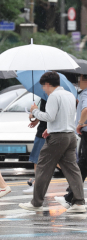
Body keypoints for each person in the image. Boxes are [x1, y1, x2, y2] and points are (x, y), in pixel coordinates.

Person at [19, 71, 86, 213]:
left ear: (48, 84)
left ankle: (36, 202)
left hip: (57, 138)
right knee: (73, 170)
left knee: (43, 168)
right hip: (70, 136)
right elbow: (64, 116)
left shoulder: (54, 96)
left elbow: (49, 116)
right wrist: (50, 129)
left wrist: (35, 111)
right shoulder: (70, 95)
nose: (43, 89)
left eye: (44, 86)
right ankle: (79, 202)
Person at [61, 74, 87, 204]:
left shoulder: (86, 93)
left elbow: (86, 109)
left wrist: (81, 123)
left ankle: (72, 196)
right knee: (83, 163)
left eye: (79, 79)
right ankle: (72, 194)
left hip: (86, 132)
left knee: (83, 163)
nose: (78, 82)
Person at [23, 99, 47, 194]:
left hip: (44, 132)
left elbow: (48, 115)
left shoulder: (48, 97)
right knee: (61, 162)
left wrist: (34, 113)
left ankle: (37, 186)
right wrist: (36, 119)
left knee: (38, 160)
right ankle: (76, 183)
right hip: (49, 131)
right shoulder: (49, 96)